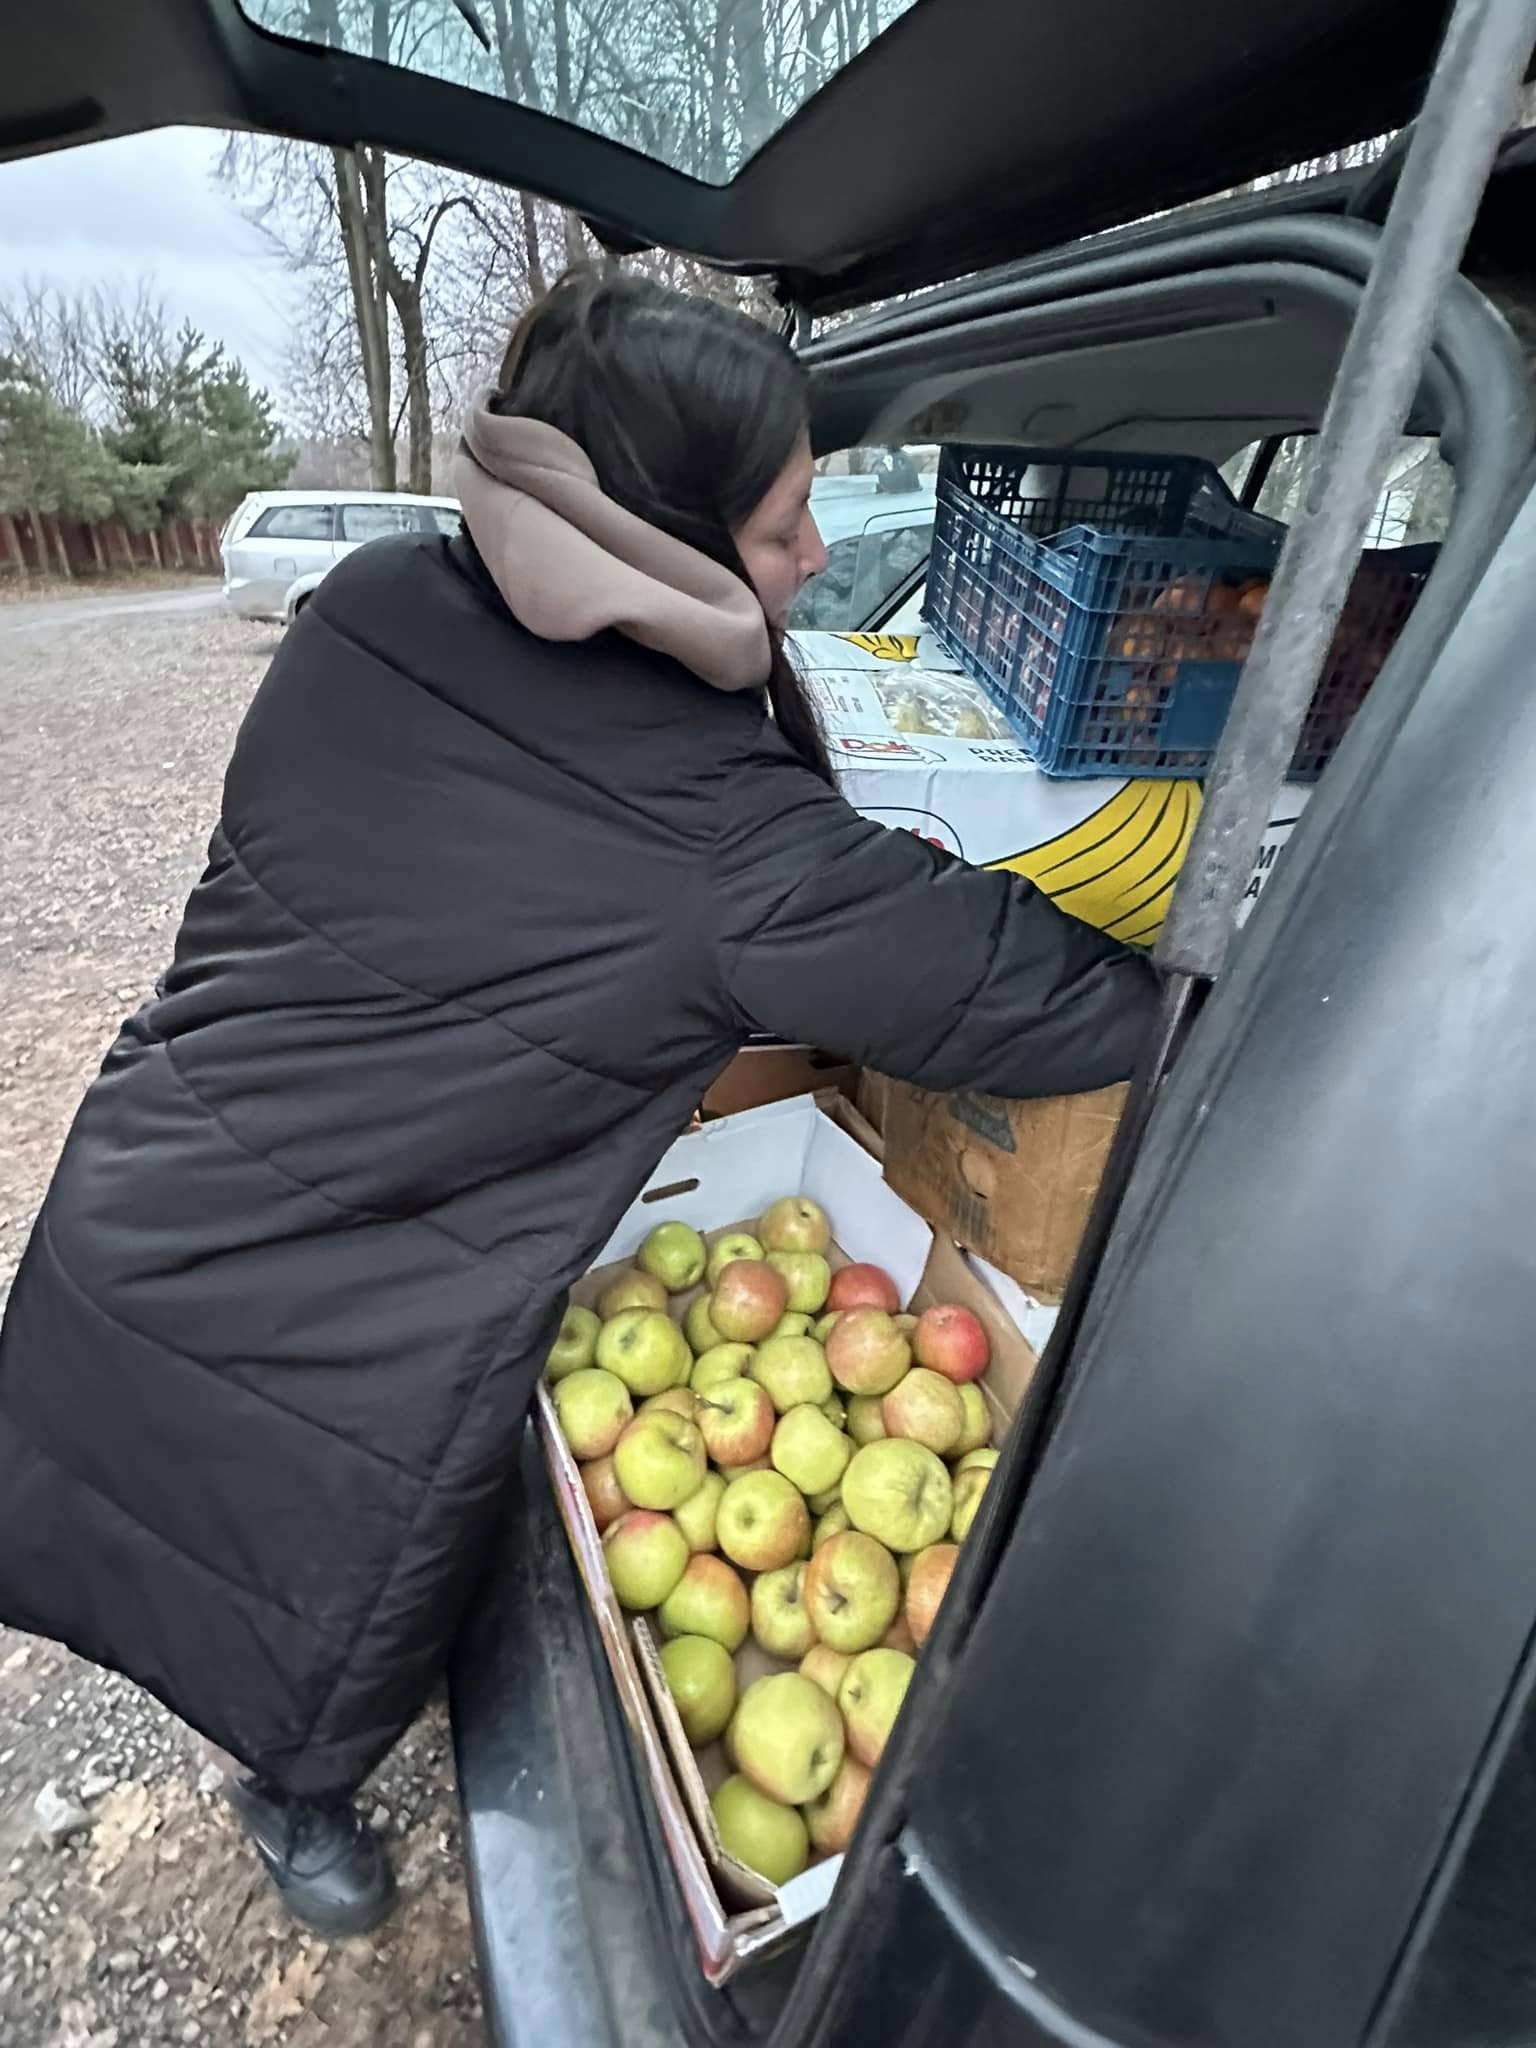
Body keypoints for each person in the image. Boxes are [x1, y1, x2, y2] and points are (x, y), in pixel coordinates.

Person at [0, 271, 1158, 1937]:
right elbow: (1022, 996)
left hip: (144, 1187)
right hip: (339, 1314)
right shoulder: (723, 835)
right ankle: (293, 1784)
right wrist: (1222, 996)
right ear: (675, 532)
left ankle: (285, 1748)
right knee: (331, 1578)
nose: (818, 558)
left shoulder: (377, 600)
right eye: (783, 527)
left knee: (217, 1525)